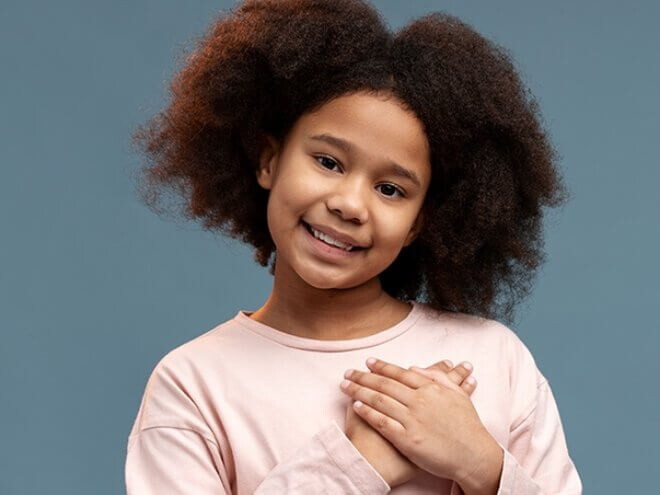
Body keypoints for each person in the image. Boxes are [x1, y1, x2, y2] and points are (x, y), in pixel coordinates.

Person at [125, 0, 583, 493]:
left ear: (418, 223)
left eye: (391, 190)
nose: (350, 204)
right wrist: (356, 463)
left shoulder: (495, 359)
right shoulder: (193, 385)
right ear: (268, 161)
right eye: (328, 161)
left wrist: (481, 465)